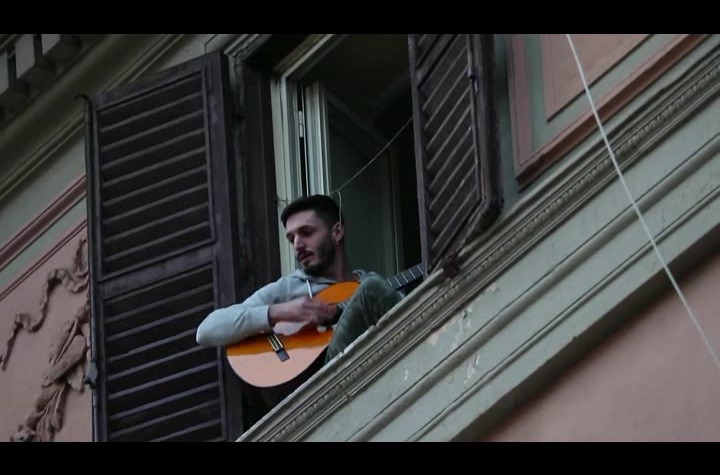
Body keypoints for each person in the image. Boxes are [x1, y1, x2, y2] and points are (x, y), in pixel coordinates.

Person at [196, 194, 403, 365]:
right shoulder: (289, 287)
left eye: (306, 233)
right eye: (291, 238)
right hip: (323, 376)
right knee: (371, 288)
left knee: (371, 288)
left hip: (371, 364)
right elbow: (206, 331)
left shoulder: (370, 286)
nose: (297, 245)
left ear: (337, 232)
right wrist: (282, 311)